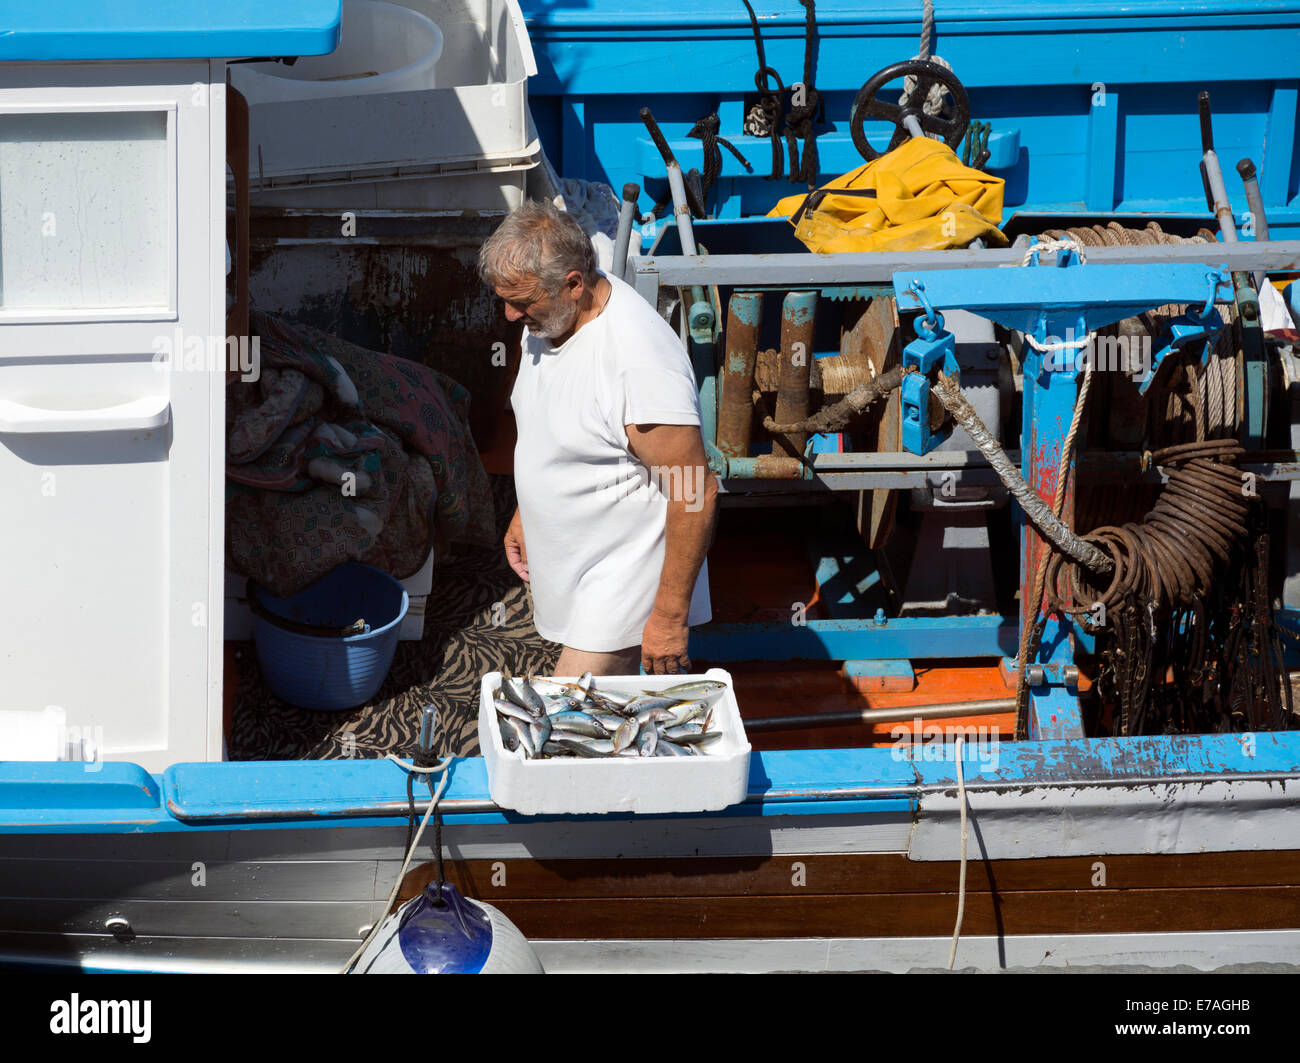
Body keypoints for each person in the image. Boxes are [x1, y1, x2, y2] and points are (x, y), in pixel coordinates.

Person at [478, 200, 716, 677]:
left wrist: (668, 620)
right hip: (577, 562)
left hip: (622, 582)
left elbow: (696, 492)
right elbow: (550, 422)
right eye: (504, 299)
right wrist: (528, 508)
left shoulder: (637, 363)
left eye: (521, 302)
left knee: (566, 725)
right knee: (603, 723)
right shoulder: (550, 319)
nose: (508, 315)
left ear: (573, 284)